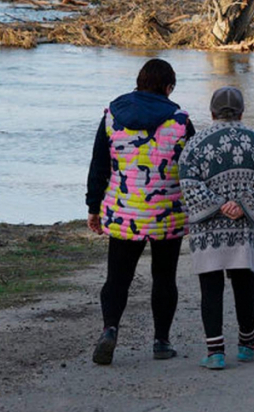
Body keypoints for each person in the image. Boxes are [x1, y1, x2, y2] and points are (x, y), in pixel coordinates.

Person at [85, 58, 194, 365]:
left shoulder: (112, 116)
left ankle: (109, 330)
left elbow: (99, 167)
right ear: (168, 87)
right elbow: (193, 170)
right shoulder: (181, 121)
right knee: (164, 277)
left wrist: (93, 207)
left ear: (139, 82)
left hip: (124, 214)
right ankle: (161, 341)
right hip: (167, 213)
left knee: (117, 278)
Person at [179, 86, 254, 370]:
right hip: (246, 228)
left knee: (210, 288)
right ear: (241, 112)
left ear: (212, 113)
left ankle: (215, 353)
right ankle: (247, 344)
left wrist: (219, 205)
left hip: (208, 230)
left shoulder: (196, 144)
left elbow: (188, 182)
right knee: (244, 285)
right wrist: (244, 204)